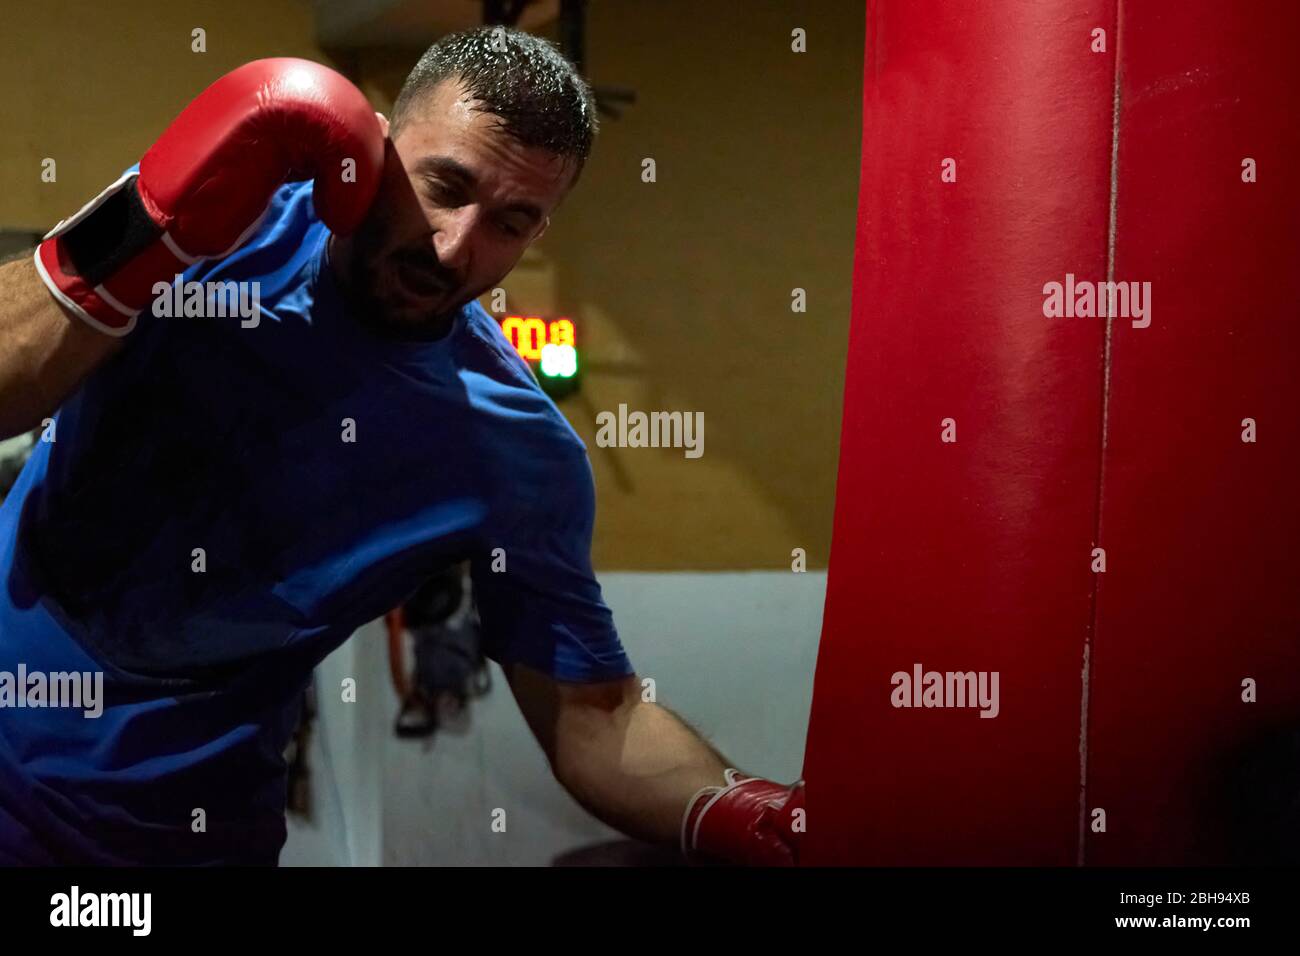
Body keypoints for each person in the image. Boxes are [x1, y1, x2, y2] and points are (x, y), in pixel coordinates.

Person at [0, 28, 802, 866]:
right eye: (445, 186)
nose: (457, 247)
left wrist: (740, 810)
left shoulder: (513, 448)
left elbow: (596, 716)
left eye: (512, 222)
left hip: (172, 835)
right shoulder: (223, 224)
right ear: (378, 143)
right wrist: (144, 232)